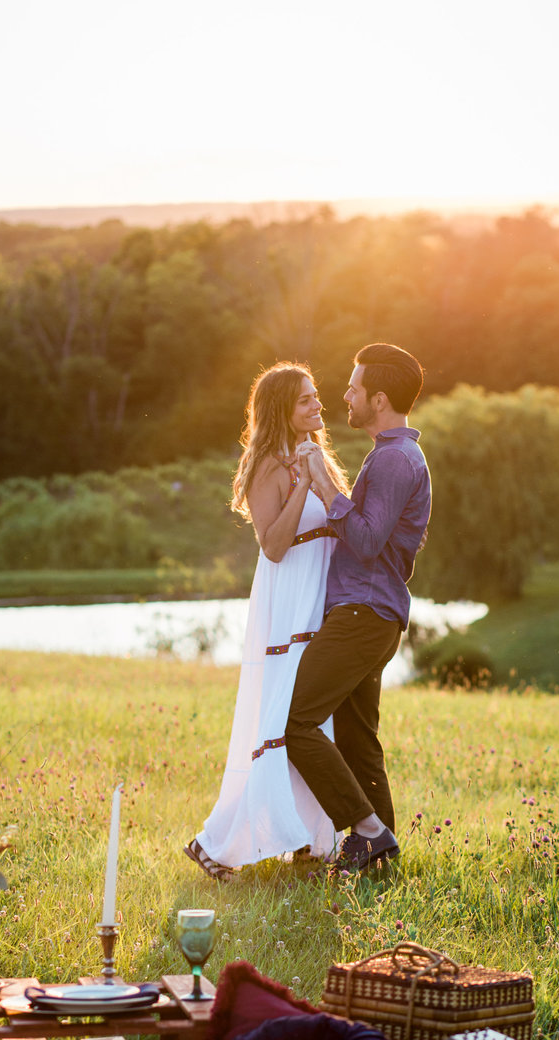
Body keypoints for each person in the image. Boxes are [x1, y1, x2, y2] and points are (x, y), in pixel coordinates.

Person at [184, 361, 351, 881]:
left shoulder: (316, 455)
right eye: (306, 399)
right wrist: (301, 483)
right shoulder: (266, 468)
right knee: (279, 724)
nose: (318, 405)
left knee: (314, 723)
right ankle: (212, 843)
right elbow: (274, 547)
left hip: (320, 608)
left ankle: (307, 842)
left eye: (317, 395)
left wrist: (319, 475)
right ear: (282, 408)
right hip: (287, 612)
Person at [285, 342, 431, 872]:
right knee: (356, 737)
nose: (344, 395)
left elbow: (367, 542)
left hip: (363, 613)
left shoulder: (393, 459)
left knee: (297, 720)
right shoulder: (394, 454)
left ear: (379, 397)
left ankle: (366, 831)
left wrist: (326, 488)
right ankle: (380, 858)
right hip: (374, 614)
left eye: (353, 387)